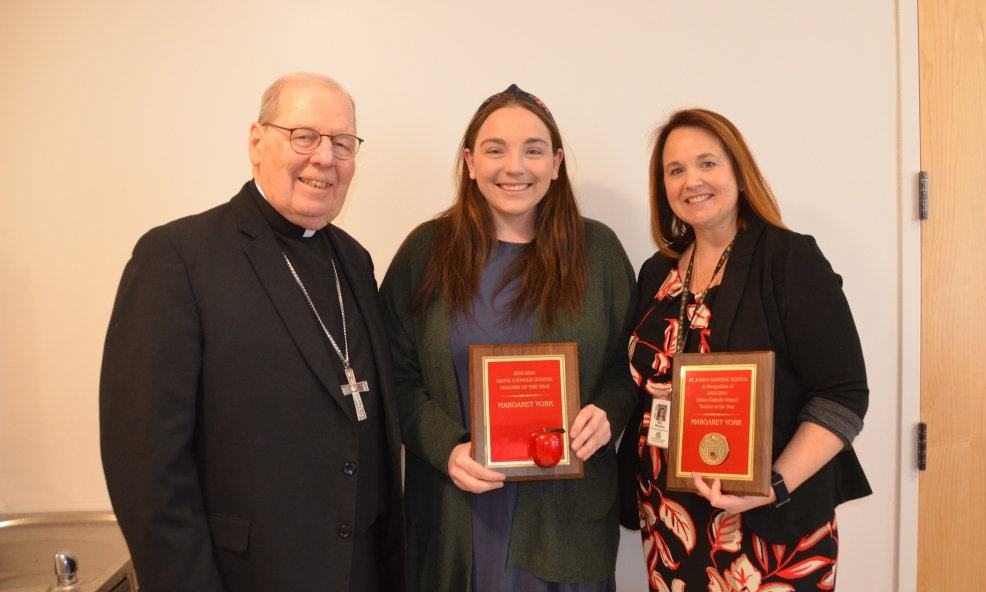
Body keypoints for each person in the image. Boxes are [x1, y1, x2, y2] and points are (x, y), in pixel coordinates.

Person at [100, 73, 406, 592]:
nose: (325, 158)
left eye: (342, 143)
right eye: (304, 136)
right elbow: (147, 469)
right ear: (257, 141)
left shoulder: (354, 261)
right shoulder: (178, 258)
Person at [378, 84, 639, 591]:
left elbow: (630, 364)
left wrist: (609, 412)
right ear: (471, 162)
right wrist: (445, 447)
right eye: (495, 150)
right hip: (458, 511)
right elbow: (393, 372)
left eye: (533, 150)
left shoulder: (599, 251)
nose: (514, 167)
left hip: (567, 521)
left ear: (557, 162)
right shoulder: (426, 251)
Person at [617, 109, 871, 591]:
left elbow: (844, 395)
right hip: (671, 522)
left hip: (767, 526)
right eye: (675, 170)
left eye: (707, 163)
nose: (692, 180)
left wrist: (771, 487)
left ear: (738, 170)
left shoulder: (789, 259)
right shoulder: (658, 272)